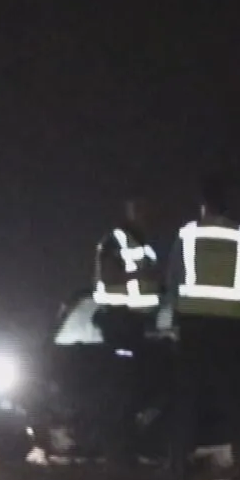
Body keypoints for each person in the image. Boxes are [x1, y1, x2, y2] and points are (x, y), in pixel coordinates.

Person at [164, 175, 240, 480]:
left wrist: (175, 318)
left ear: (202, 204)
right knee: (234, 397)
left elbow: (173, 280)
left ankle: (177, 464)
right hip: (230, 327)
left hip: (193, 326)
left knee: (186, 397)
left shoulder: (188, 235)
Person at [91, 198, 161, 465]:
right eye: (142, 210)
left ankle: (128, 450)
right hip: (119, 323)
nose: (148, 215)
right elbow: (109, 277)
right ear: (131, 212)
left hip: (137, 325)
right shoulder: (116, 241)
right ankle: (117, 454)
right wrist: (142, 276)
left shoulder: (143, 245)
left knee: (132, 390)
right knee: (121, 392)